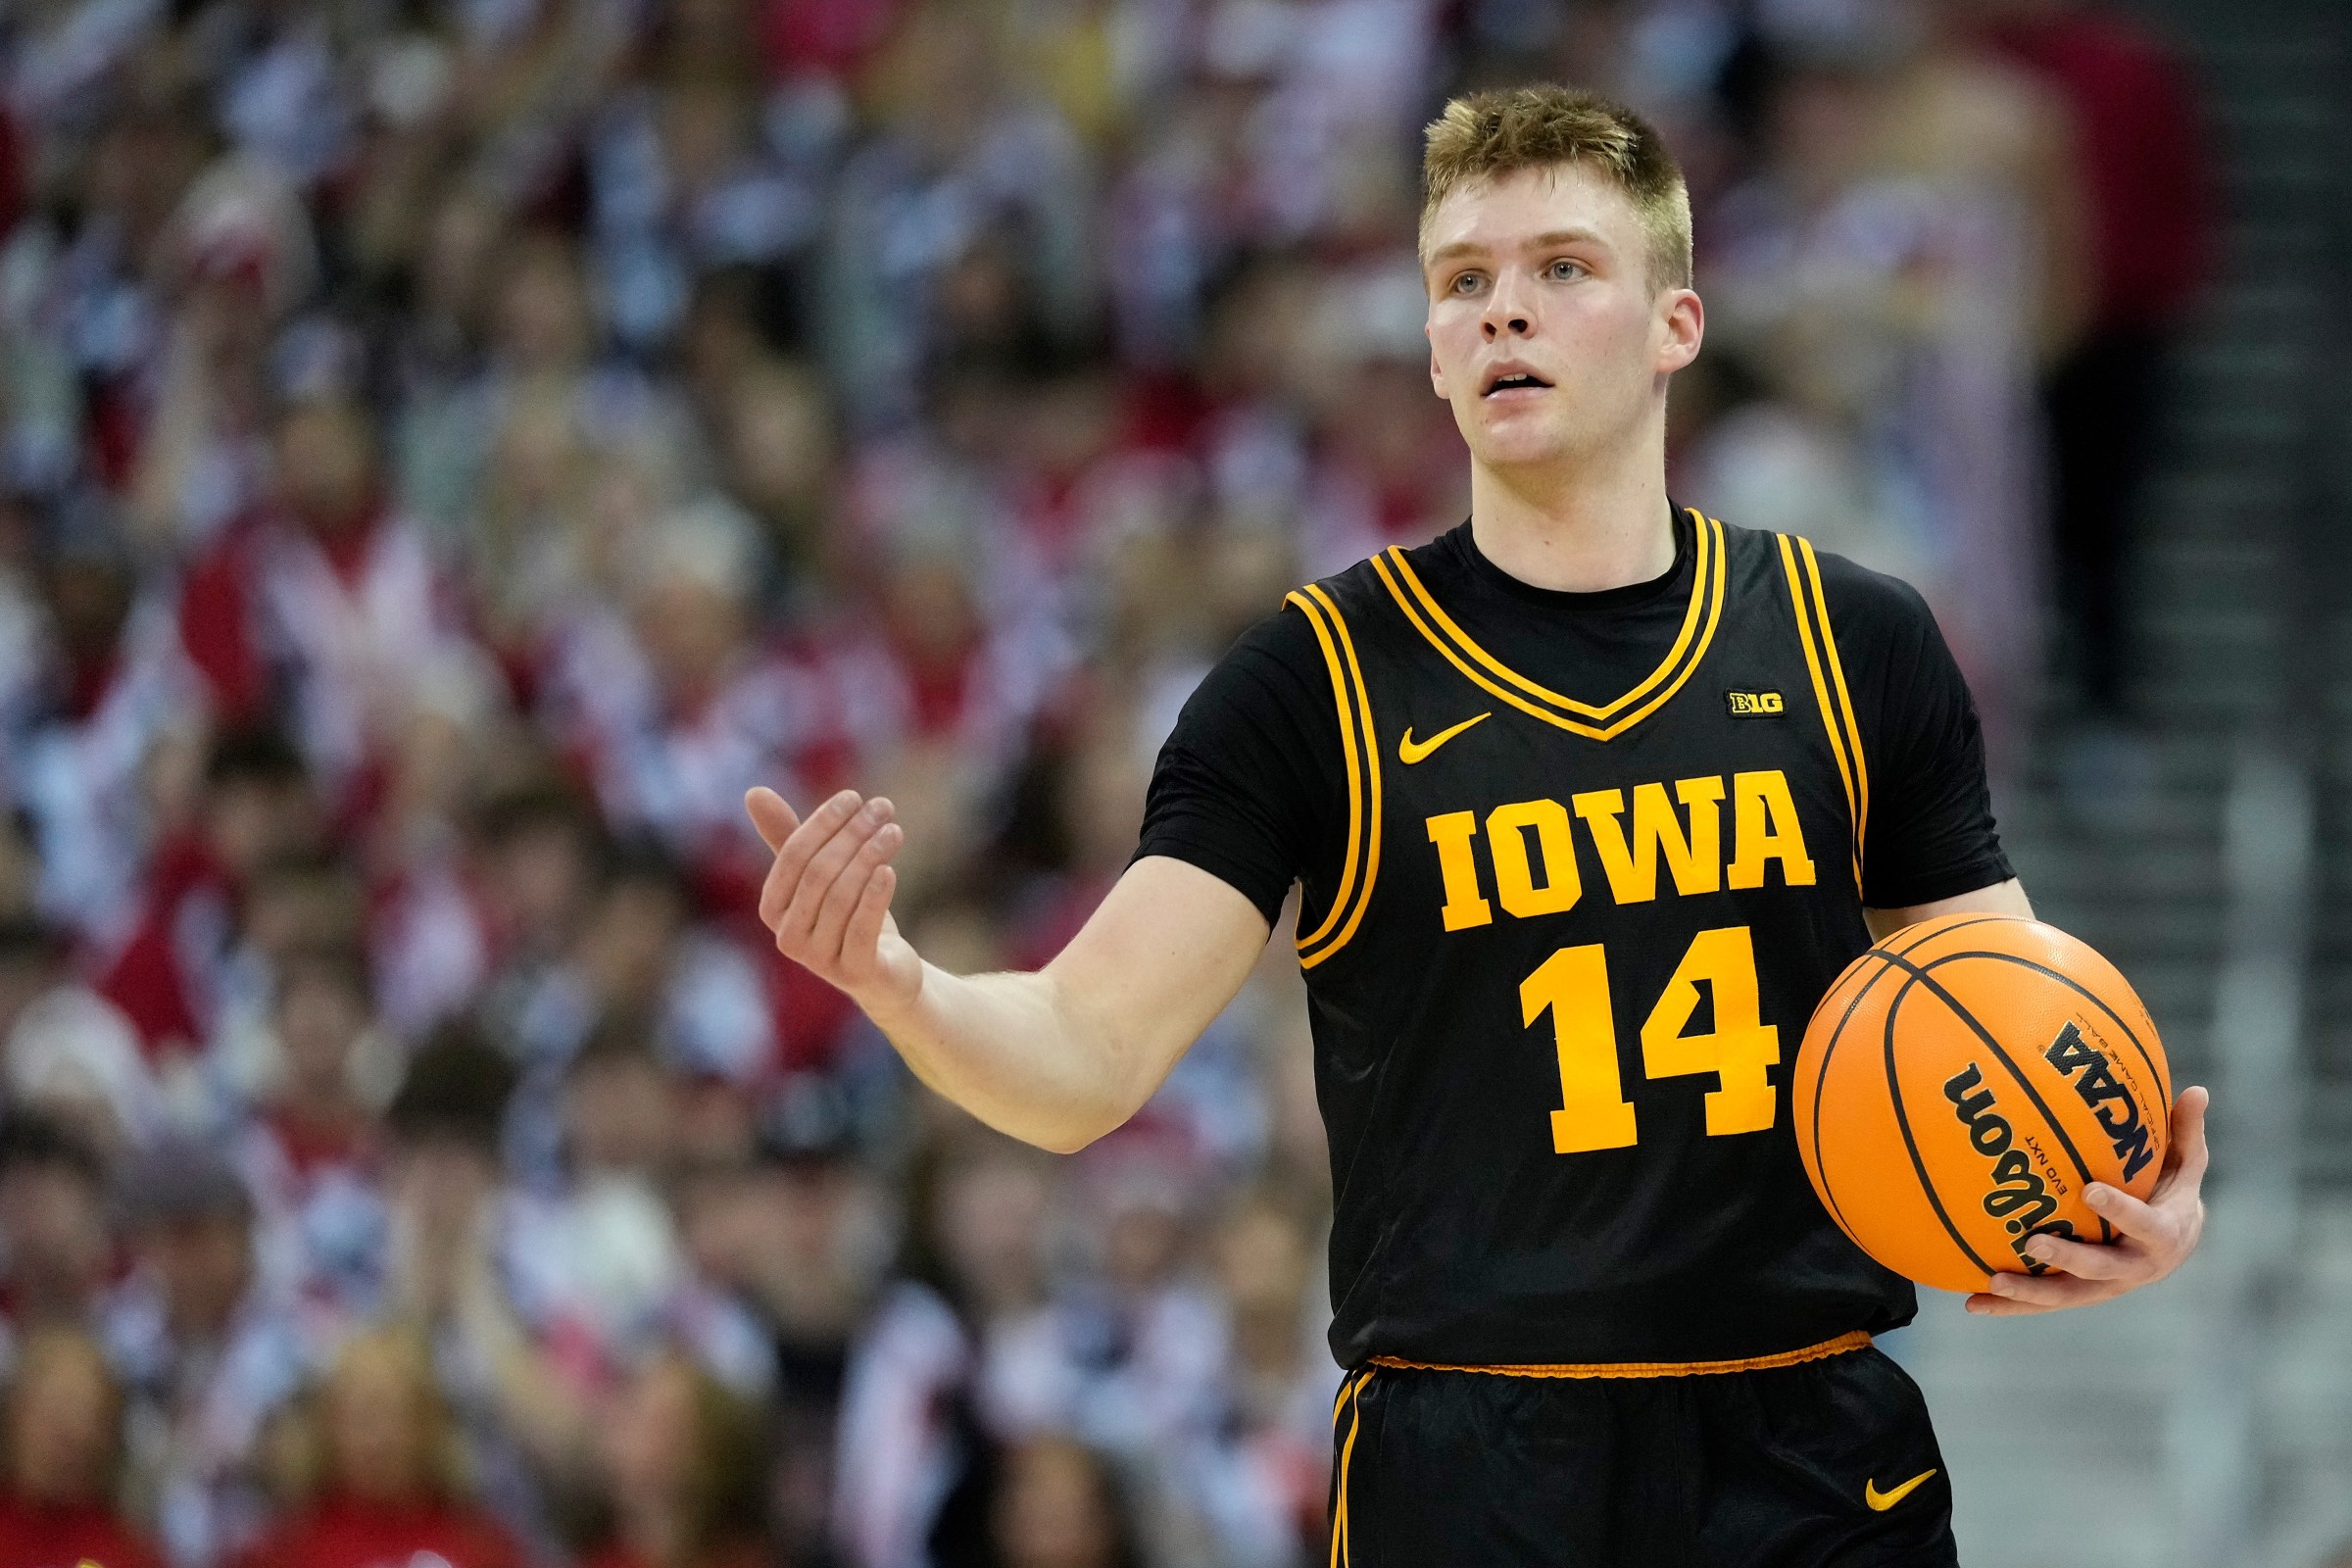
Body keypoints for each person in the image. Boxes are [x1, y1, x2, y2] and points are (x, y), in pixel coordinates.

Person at [746, 85, 2213, 1565]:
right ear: (1436, 351)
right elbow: (1086, 1056)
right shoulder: (1305, 682)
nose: (1504, 312)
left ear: (1674, 326)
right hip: (1469, 1461)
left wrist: (2114, 1195)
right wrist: (903, 986)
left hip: (1809, 1443)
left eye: (1563, 269)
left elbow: (2007, 1020)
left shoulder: (1860, 644)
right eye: (1465, 282)